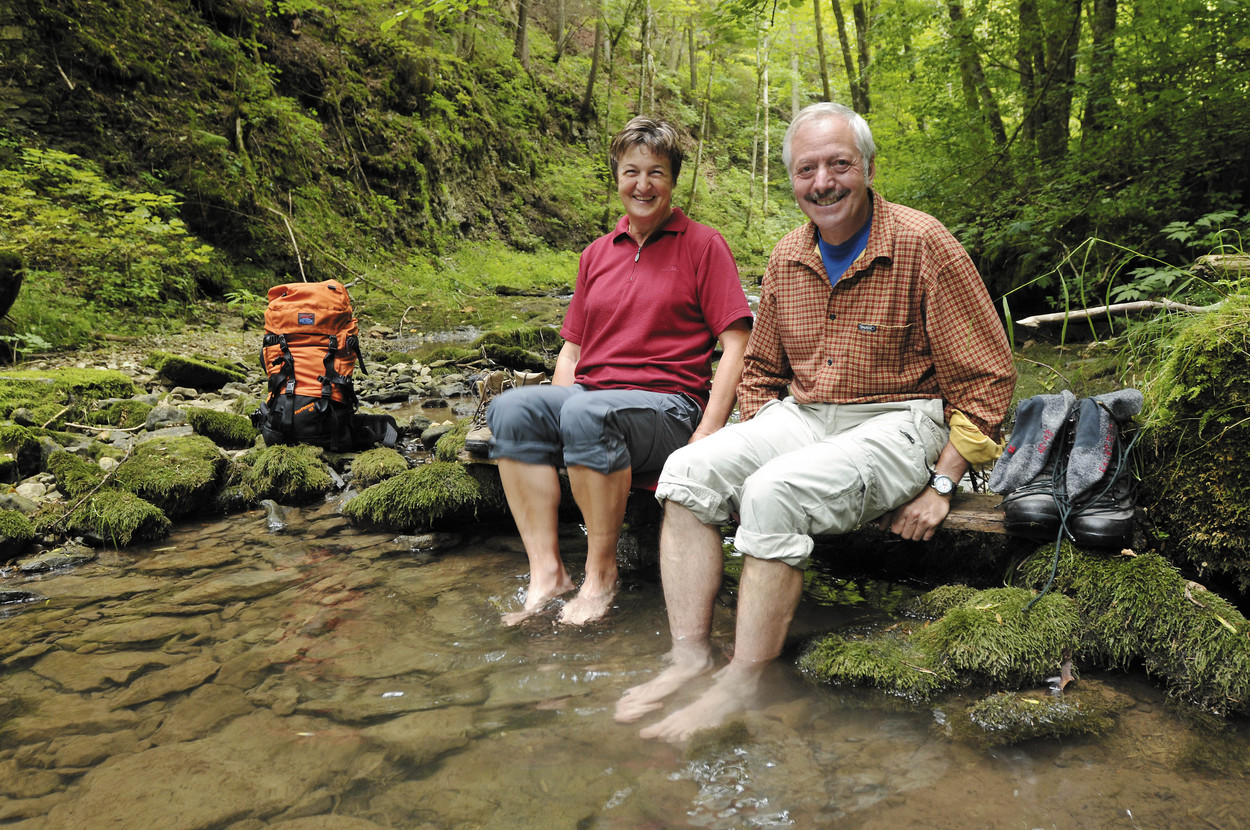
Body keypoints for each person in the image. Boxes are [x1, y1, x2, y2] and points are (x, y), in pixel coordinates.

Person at [615, 102, 1017, 740]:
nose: (823, 182)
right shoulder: (787, 255)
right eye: (807, 169)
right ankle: (689, 656)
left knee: (774, 492)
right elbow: (760, 369)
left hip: (900, 420)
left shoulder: (923, 244)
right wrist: (759, 436)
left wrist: (943, 484)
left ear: (868, 167)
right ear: (792, 180)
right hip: (805, 415)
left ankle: (744, 680)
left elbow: (989, 377)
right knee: (687, 470)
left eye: (839, 165)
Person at [486, 116, 753, 627]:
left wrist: (708, 433)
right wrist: (559, 415)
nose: (643, 185)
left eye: (656, 172)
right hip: (593, 398)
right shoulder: (596, 254)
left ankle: (600, 574)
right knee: (510, 409)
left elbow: (738, 343)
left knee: (587, 413)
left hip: (669, 407)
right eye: (631, 172)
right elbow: (571, 351)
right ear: (617, 178)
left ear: (673, 181)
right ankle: (547, 574)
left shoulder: (703, 245)